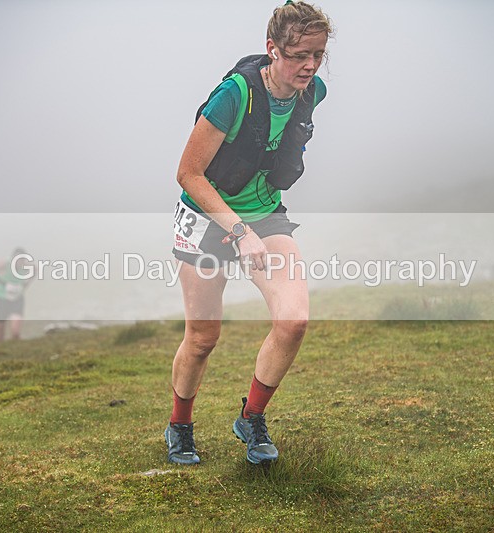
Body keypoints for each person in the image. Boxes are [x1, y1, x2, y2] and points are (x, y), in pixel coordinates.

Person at [166, 1, 333, 465]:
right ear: (272, 49)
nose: (310, 66)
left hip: (264, 214)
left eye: (318, 55)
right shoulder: (234, 95)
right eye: (300, 54)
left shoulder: (311, 91)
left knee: (293, 320)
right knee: (202, 337)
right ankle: (180, 425)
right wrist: (238, 230)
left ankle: (251, 419)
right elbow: (188, 174)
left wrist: (252, 226)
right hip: (206, 218)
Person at [0, 248, 34, 342]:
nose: (19, 262)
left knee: (15, 333)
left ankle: (16, 348)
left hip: (17, 298)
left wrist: (26, 285)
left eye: (21, 260)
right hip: (1, 297)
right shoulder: (4, 264)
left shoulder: (27, 266)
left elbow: (35, 270)